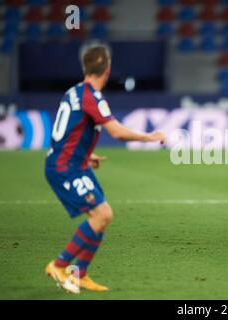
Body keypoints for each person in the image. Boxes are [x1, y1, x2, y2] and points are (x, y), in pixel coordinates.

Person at [44, 43, 165, 293]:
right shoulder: (92, 96)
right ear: (107, 69)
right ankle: (59, 265)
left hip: (72, 162)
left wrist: (86, 156)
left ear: (85, 67)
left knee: (100, 217)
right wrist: (149, 137)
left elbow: (64, 132)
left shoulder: (74, 92)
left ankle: (80, 274)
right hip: (66, 167)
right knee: (103, 215)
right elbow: (116, 132)